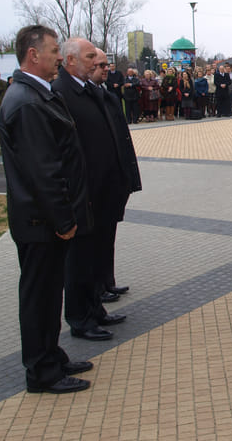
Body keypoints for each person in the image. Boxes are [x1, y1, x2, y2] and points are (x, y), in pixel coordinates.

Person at [0, 25, 94, 394]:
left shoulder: (36, 94)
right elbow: (44, 170)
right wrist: (63, 219)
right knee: (40, 298)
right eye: (54, 51)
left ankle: (51, 355)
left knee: (50, 293)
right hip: (40, 222)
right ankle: (42, 372)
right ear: (33, 55)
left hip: (44, 220)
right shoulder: (25, 102)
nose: (58, 57)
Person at [53, 39, 130, 341]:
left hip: (102, 189)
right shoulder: (62, 93)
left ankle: (95, 309)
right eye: (89, 58)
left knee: (95, 254)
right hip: (82, 191)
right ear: (70, 61)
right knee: (79, 261)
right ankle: (80, 318)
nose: (95, 63)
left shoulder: (87, 90)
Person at [89, 49, 141, 302]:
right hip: (98, 183)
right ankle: (97, 286)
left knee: (108, 235)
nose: (105, 68)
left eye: (106, 64)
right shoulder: (85, 97)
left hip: (114, 180)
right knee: (96, 239)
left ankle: (108, 282)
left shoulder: (106, 95)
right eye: (99, 65)